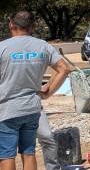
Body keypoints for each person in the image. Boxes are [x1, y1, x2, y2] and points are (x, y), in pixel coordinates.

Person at [0, 11, 69, 170]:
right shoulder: (43, 46)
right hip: (32, 109)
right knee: (28, 152)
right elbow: (64, 69)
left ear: (11, 24)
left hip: (7, 110)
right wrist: (48, 92)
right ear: (32, 26)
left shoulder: (2, 47)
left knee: (6, 156)